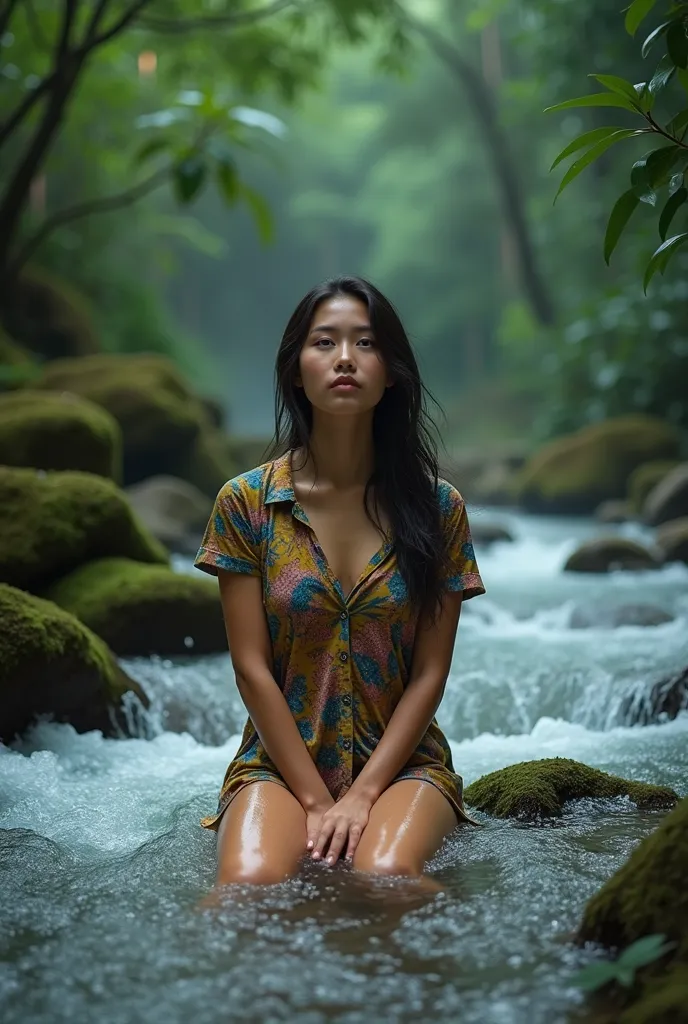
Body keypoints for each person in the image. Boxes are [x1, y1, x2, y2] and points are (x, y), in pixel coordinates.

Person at [194, 275, 486, 890]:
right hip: (277, 764)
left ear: (392, 372)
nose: (346, 358)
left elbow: (431, 672)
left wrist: (363, 795)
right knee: (247, 884)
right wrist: (318, 800)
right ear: (296, 371)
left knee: (388, 875)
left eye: (366, 343)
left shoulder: (438, 509)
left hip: (404, 765)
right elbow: (251, 669)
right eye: (324, 342)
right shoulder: (246, 503)